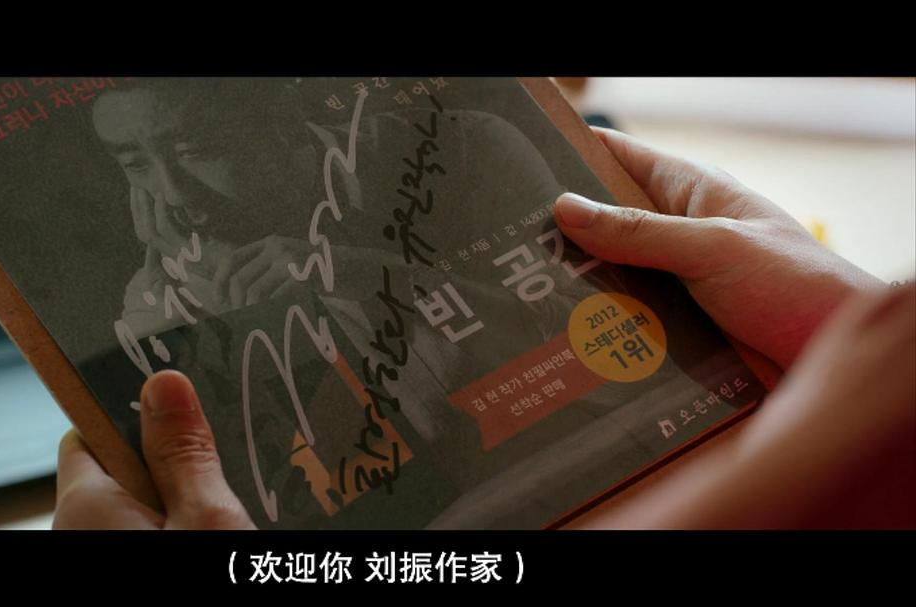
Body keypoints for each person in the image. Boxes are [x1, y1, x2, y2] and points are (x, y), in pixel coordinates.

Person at [53, 121, 914, 530]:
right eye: (136, 161)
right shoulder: (165, 277)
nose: (173, 194)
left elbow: (593, 343)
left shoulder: (457, 149)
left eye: (198, 144)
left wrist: (359, 276)